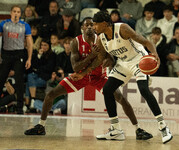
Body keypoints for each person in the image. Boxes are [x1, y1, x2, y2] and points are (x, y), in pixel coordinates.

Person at [24, 17, 153, 141]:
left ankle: (138, 129)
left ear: (95, 27)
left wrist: (107, 60)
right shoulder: (76, 42)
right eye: (87, 25)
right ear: (82, 28)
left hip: (99, 77)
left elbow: (111, 59)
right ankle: (41, 126)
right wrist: (93, 55)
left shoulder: (102, 39)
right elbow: (75, 67)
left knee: (121, 98)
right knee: (51, 94)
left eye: (92, 24)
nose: (90, 27)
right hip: (80, 76)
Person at [70, 11, 173, 144]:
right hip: (123, 64)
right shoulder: (101, 38)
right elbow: (99, 59)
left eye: (95, 24)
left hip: (138, 60)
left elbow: (146, 42)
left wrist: (155, 54)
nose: (93, 27)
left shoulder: (122, 28)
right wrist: (83, 74)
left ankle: (163, 127)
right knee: (107, 89)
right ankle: (116, 129)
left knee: (143, 89)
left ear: (104, 24)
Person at [0, 5, 33, 114]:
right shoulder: (3, 24)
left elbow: (29, 42)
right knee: (1, 79)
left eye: (18, 12)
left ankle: (20, 107)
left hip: (19, 54)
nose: (16, 13)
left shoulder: (25, 25)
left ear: (20, 14)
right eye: (14, 11)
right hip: (6, 54)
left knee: (19, 81)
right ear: (11, 12)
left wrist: (29, 58)